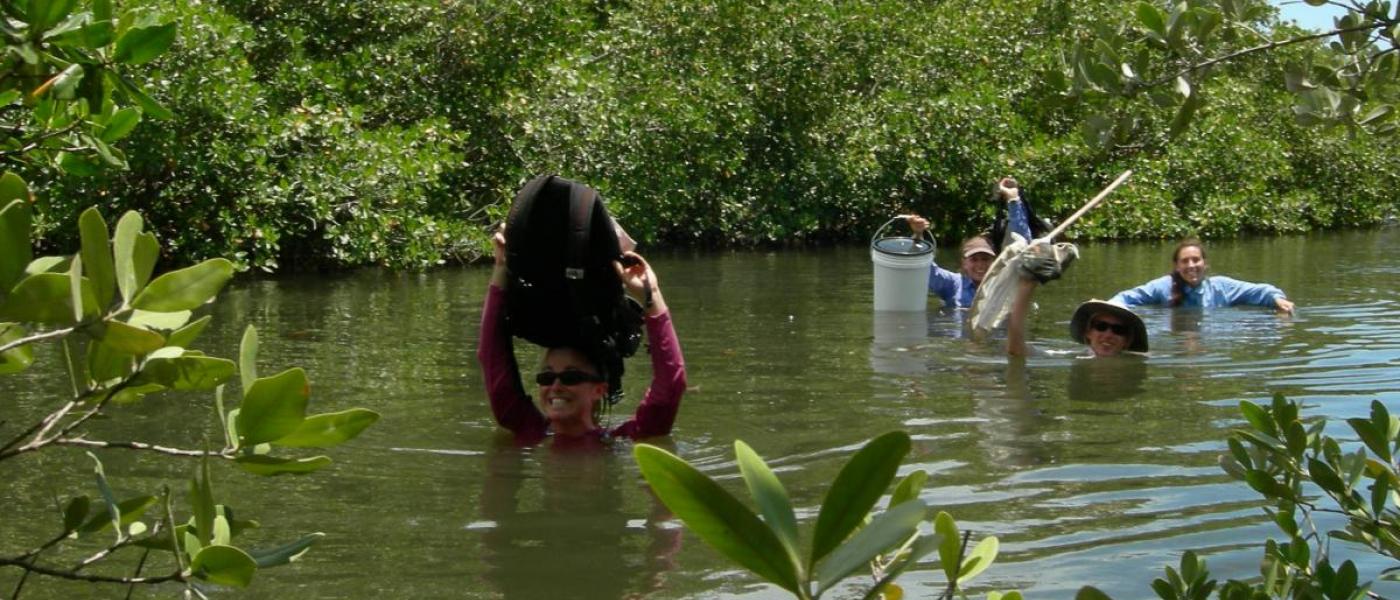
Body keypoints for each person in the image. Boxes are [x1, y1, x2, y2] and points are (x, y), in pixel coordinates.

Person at [477, 227, 687, 447]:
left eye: (571, 377)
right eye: (546, 378)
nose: (555, 386)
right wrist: (502, 266)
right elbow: (492, 356)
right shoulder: (528, 428)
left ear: (599, 389)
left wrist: (650, 294)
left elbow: (670, 387)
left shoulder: (624, 440)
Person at [907, 177, 1036, 309]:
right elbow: (924, 269)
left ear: (994, 261)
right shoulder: (952, 283)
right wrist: (918, 235)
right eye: (974, 259)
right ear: (964, 263)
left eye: (985, 259)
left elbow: (1023, 243)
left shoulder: (1002, 283)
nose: (980, 264)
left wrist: (1013, 200)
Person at [1004, 242, 1148, 358]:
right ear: (1088, 333)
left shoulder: (1137, 360)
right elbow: (1016, 349)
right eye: (1101, 326)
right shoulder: (1071, 357)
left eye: (1118, 330)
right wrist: (1027, 285)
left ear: (1127, 341)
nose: (1108, 334)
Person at [1109, 238, 1295, 313]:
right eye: (1185, 261)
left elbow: (1259, 291)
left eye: (1196, 260)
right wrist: (1108, 307)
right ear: (1176, 266)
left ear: (1205, 264)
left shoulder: (1221, 286)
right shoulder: (1163, 286)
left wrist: (1277, 299)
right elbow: (1127, 297)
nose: (1191, 266)